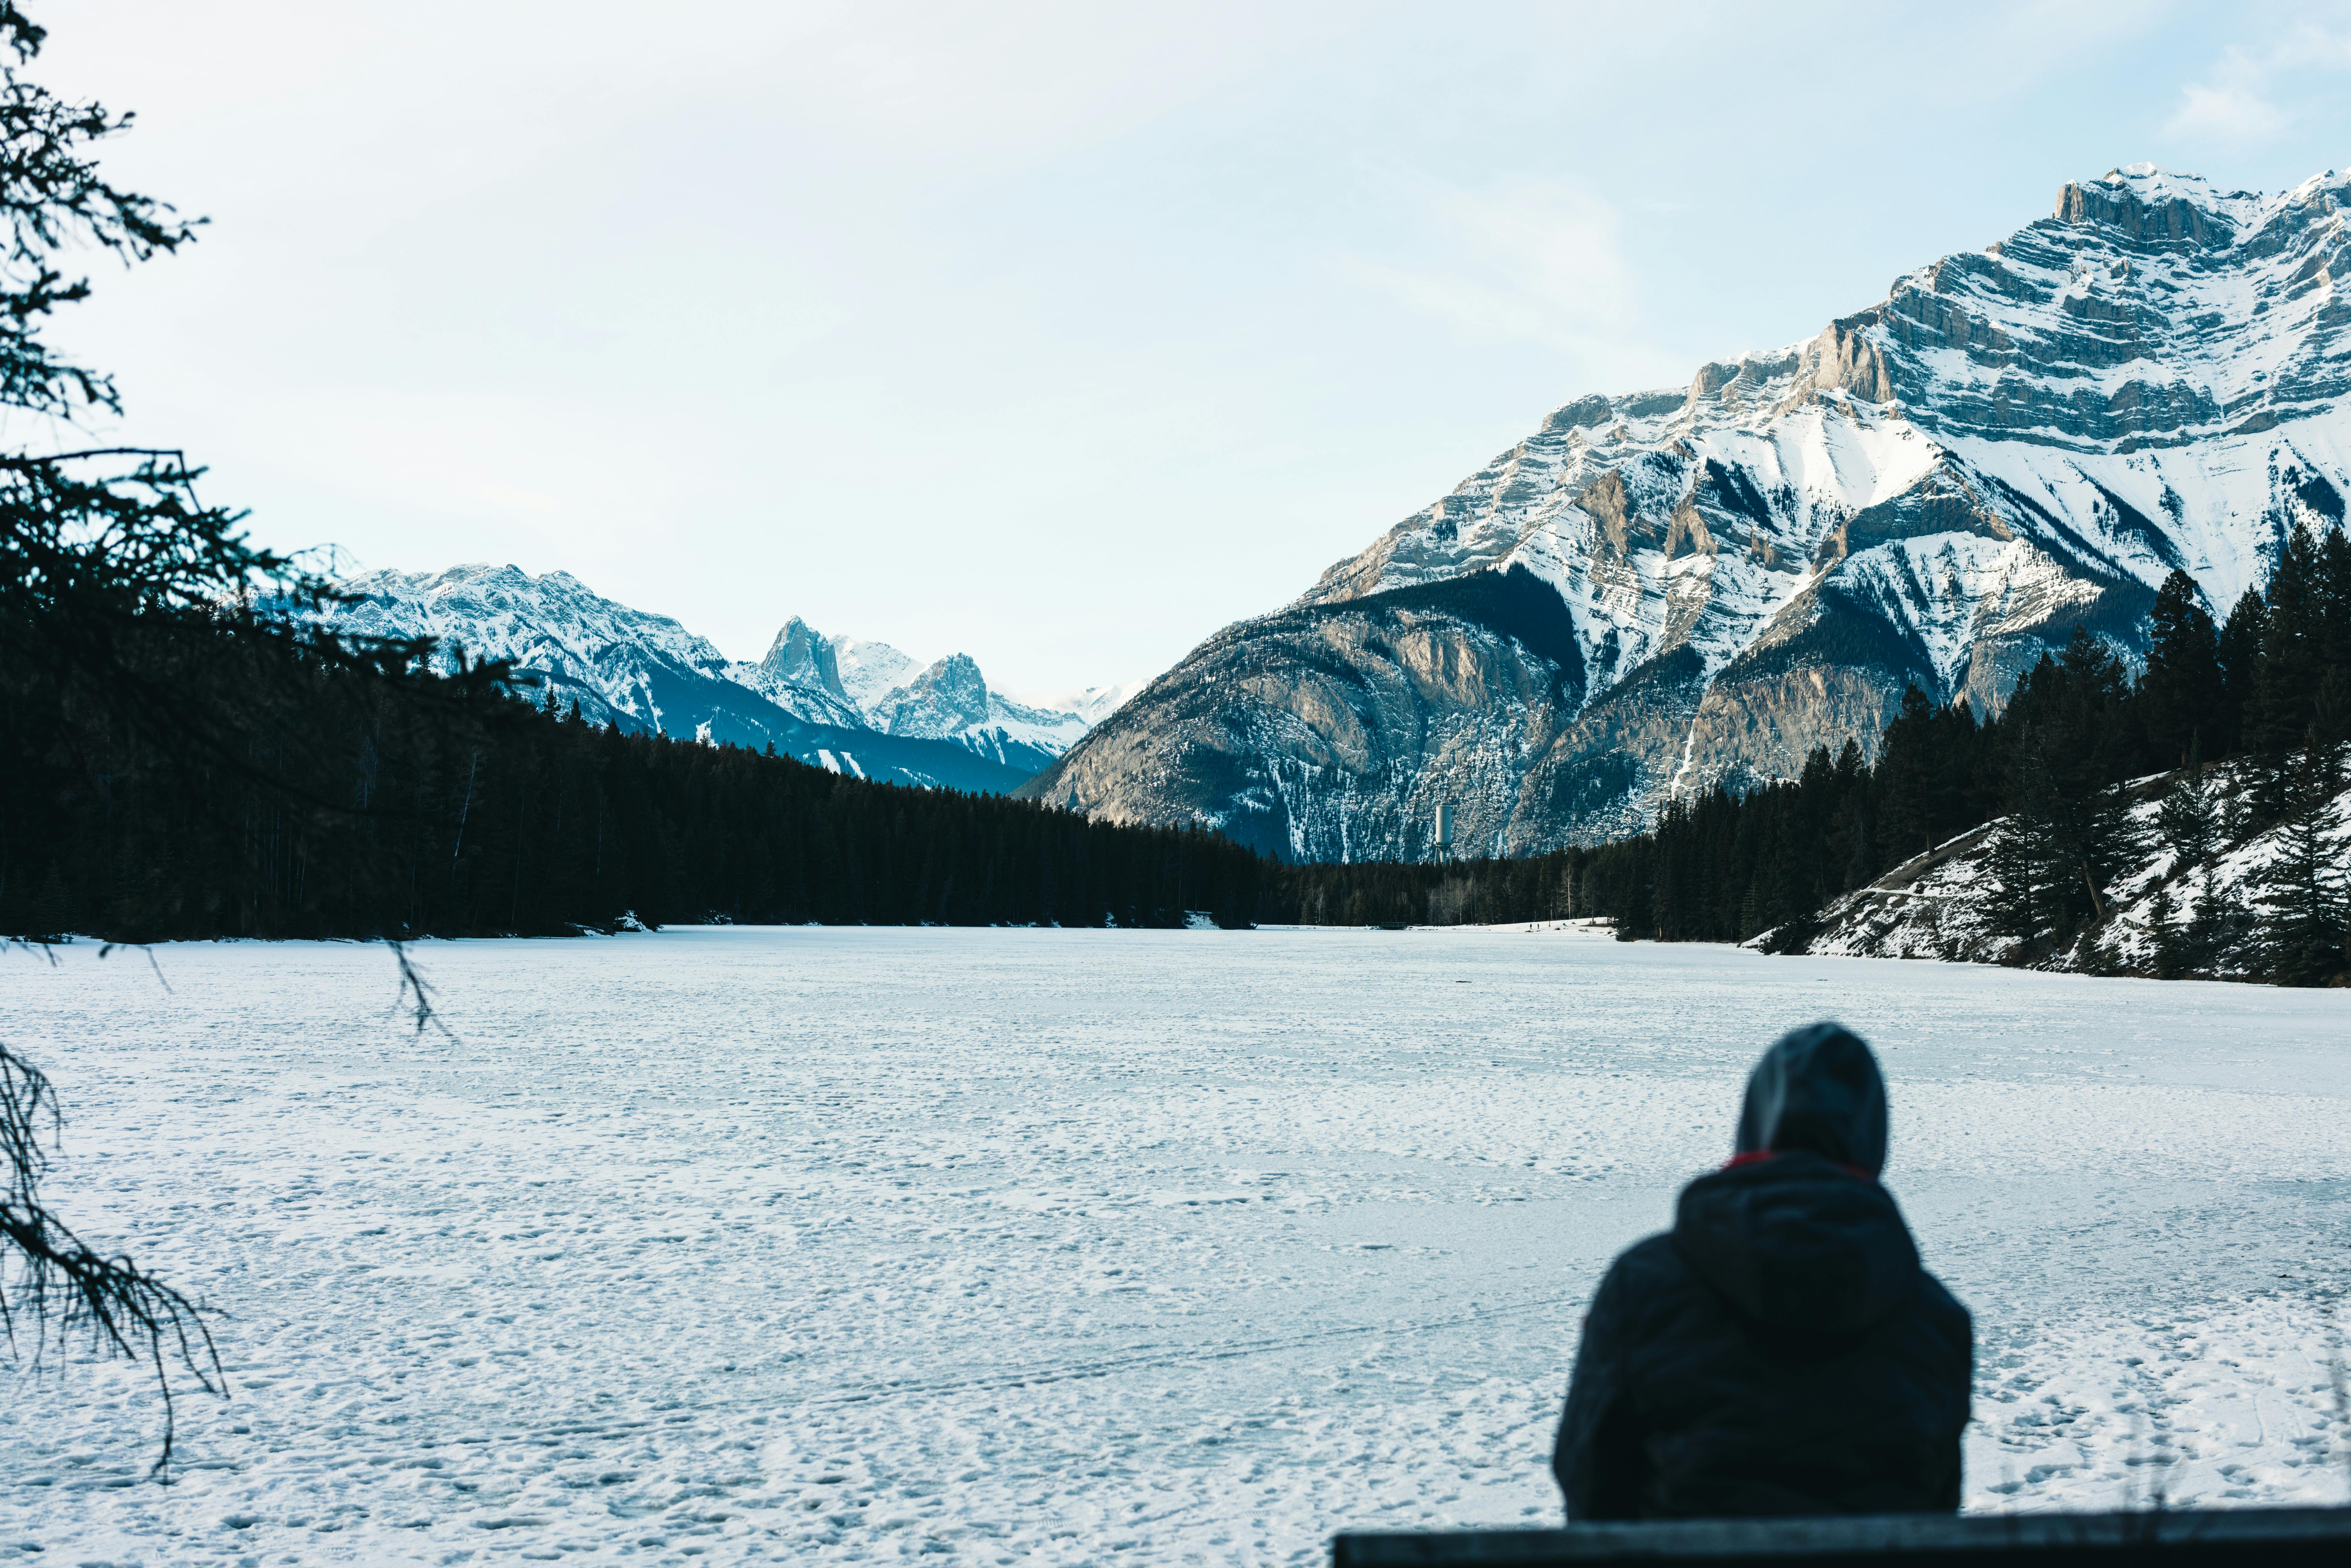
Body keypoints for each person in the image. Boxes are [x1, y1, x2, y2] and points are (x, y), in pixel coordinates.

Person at [1552, 1022, 1972, 1519]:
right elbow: (1935, 1504)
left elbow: (1590, 1479)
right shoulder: (1934, 1318)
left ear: (1751, 1127)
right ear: (1872, 1139)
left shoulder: (1644, 1284)